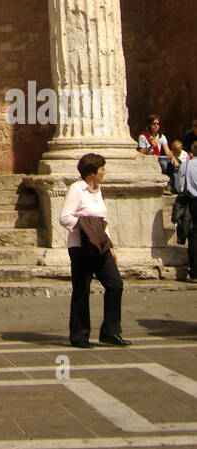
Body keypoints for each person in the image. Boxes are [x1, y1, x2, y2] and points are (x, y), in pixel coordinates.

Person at [60, 152, 129, 349]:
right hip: (81, 248)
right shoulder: (76, 190)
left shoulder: (98, 190)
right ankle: (79, 336)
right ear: (92, 173)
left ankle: (110, 331)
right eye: (102, 170)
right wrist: (85, 227)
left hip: (100, 247)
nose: (104, 173)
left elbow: (103, 221)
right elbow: (65, 217)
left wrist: (111, 245)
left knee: (115, 284)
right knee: (82, 290)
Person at [137, 114, 174, 180]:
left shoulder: (161, 136)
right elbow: (141, 152)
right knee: (164, 165)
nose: (156, 125)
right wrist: (151, 147)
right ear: (149, 125)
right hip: (149, 159)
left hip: (158, 158)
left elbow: (167, 151)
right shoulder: (143, 137)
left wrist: (173, 157)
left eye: (158, 124)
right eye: (154, 124)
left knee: (174, 164)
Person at [182, 141, 197, 284]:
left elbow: (180, 186)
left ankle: (195, 273)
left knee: (194, 236)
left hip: (193, 202)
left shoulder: (187, 165)